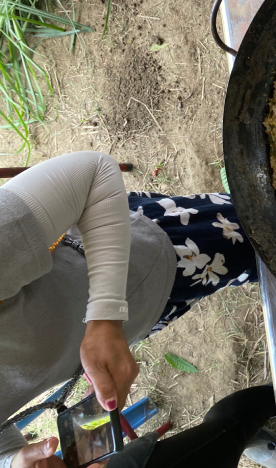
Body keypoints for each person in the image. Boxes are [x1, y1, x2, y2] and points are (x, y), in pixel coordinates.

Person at [0, 152, 261, 468]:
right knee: (255, 262)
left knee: (267, 230)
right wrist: (14, 460)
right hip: (139, 314)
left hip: (149, 249)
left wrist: (104, 317)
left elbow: (93, 172)